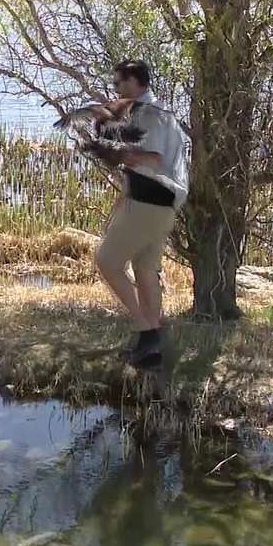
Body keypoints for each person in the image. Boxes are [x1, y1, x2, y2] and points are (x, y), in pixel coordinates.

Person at [81, 60, 188, 369]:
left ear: (136, 83)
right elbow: (142, 166)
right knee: (144, 269)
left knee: (107, 261)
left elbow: (152, 159)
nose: (114, 89)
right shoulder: (157, 114)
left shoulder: (148, 115)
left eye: (119, 83)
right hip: (165, 202)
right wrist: (122, 197)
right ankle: (151, 350)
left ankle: (146, 331)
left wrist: (110, 151)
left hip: (151, 197)